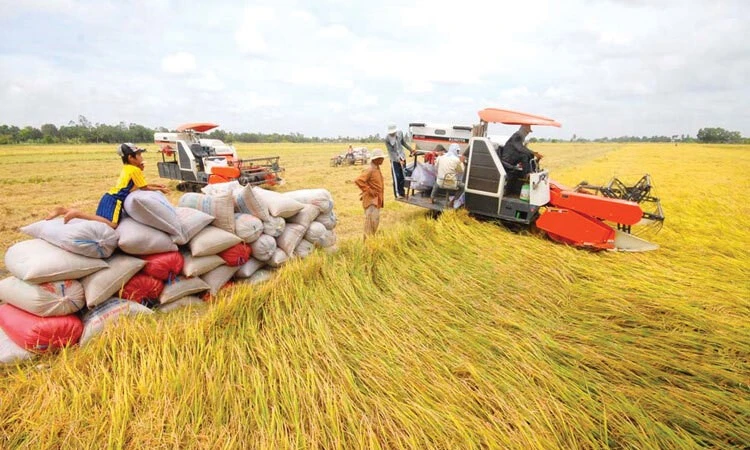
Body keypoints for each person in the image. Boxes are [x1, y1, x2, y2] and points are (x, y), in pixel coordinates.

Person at [46, 143, 169, 228]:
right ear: (131, 157)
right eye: (139, 155)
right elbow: (144, 188)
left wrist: (157, 185)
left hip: (108, 197)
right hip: (116, 201)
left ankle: (64, 210)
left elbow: (136, 186)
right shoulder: (134, 170)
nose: (142, 157)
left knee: (100, 221)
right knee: (113, 225)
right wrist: (160, 189)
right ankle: (76, 213)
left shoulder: (128, 168)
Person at [354, 149, 385, 239]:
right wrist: (368, 190)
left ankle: (370, 242)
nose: (383, 160)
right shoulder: (370, 169)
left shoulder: (376, 168)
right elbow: (358, 180)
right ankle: (367, 245)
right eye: (381, 158)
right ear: (376, 159)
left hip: (376, 200)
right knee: (370, 225)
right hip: (371, 201)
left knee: (374, 223)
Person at [384, 124, 414, 199]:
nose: (392, 134)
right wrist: (398, 160)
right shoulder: (387, 139)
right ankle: (397, 195)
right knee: (396, 177)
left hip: (402, 157)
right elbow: (391, 152)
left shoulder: (400, 133)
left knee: (403, 176)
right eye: (391, 133)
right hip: (394, 160)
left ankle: (402, 193)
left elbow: (403, 143)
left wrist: (411, 149)